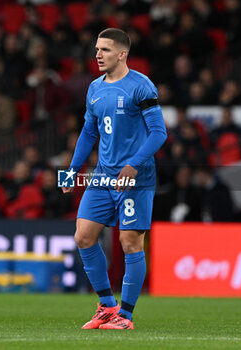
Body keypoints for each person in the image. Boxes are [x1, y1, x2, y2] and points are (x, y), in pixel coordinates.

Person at [62, 28, 167, 330]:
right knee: (83, 236)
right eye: (97, 49)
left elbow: (159, 133)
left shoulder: (141, 86)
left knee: (130, 241)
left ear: (122, 54)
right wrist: (73, 169)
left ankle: (126, 316)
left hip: (135, 178)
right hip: (104, 176)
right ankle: (107, 306)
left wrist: (134, 164)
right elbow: (89, 132)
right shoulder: (95, 88)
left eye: (105, 50)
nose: (97, 55)